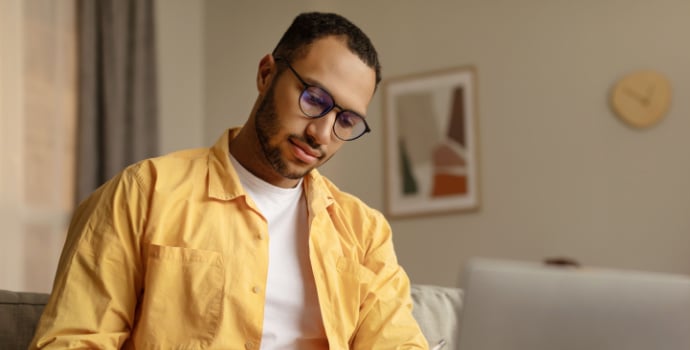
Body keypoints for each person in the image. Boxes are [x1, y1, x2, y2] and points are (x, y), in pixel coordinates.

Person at [30, 12, 428, 350]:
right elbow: (73, 340)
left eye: (346, 121)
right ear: (266, 74)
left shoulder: (364, 232)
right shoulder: (144, 192)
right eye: (314, 99)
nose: (322, 134)